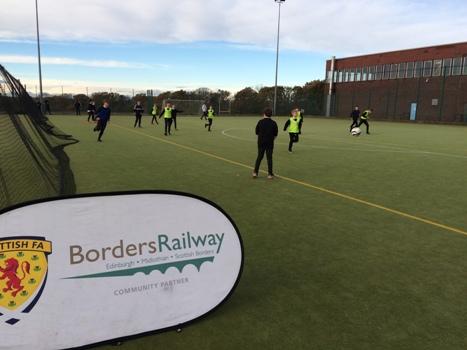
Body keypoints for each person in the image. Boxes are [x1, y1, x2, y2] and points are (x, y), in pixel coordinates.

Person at [253, 108, 278, 179]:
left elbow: (256, 132)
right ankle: (270, 174)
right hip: (270, 143)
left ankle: (255, 172)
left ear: (264, 114)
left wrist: (261, 137)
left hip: (261, 142)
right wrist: (271, 139)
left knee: (259, 157)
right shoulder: (274, 123)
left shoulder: (260, 122)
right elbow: (275, 134)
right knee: (269, 158)